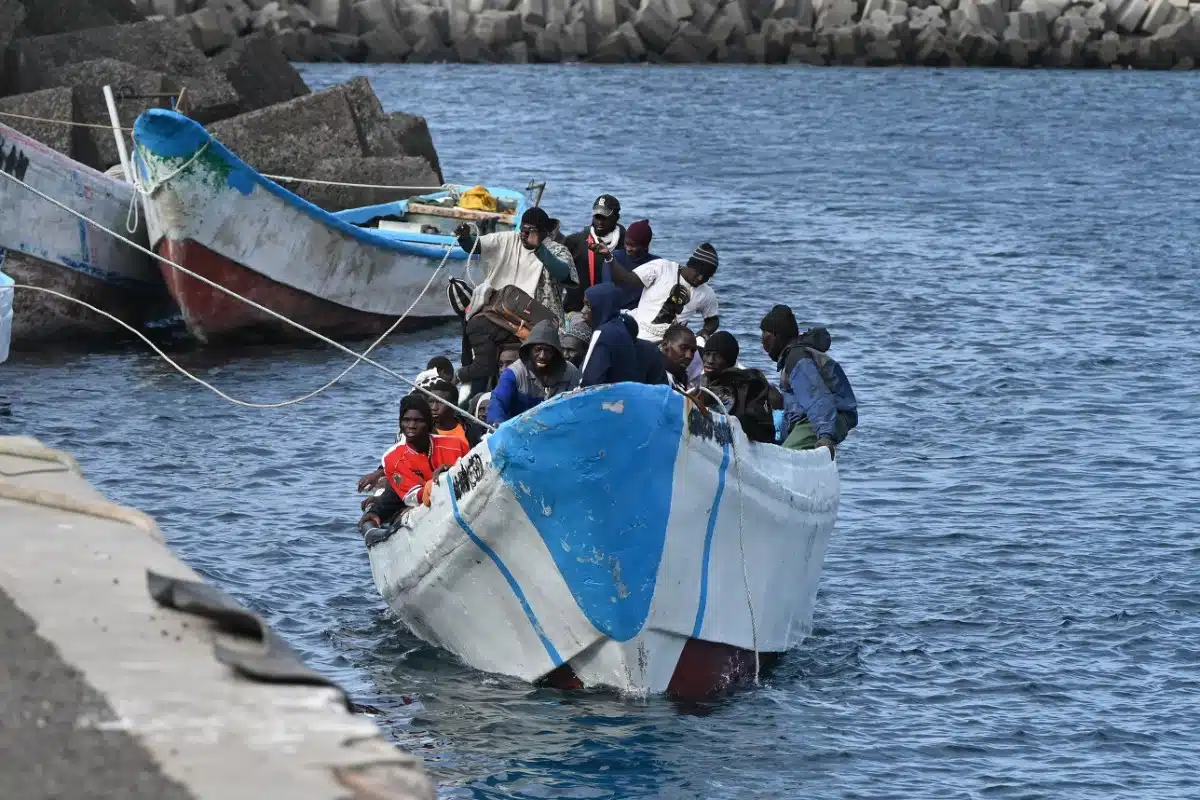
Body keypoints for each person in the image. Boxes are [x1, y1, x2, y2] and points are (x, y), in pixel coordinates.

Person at [453, 207, 577, 394]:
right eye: (524, 231)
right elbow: (476, 246)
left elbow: (563, 273)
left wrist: (539, 250)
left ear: (544, 232)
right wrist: (464, 238)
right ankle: (472, 396)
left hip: (540, 320)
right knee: (474, 331)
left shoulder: (557, 250)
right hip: (502, 312)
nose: (526, 236)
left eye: (532, 232)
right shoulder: (507, 239)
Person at [359, 395, 470, 529]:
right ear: (401, 424)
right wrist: (441, 481)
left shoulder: (456, 445)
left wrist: (451, 470)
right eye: (406, 420)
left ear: (428, 424)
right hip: (423, 510)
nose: (411, 426)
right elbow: (413, 497)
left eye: (418, 421)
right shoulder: (392, 459)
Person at [760, 305, 857, 456]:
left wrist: (825, 437)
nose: (762, 341)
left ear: (776, 336)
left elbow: (817, 399)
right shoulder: (794, 356)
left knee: (782, 457)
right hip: (817, 420)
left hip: (828, 419)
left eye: (764, 335)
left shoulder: (796, 358)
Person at [608, 243, 720, 344]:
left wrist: (705, 332)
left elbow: (713, 320)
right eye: (698, 273)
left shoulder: (707, 294)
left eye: (706, 277)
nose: (700, 278)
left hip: (669, 348)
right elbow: (627, 279)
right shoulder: (662, 268)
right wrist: (609, 258)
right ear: (690, 265)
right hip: (638, 337)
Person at [487, 320, 581, 424]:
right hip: (519, 432)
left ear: (556, 353)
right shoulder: (515, 373)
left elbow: (578, 406)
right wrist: (497, 424)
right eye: (538, 349)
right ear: (529, 350)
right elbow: (498, 400)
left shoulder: (570, 372)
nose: (542, 356)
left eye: (548, 351)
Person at [700, 331, 776, 444]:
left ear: (729, 360)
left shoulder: (739, 385)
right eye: (708, 354)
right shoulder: (704, 380)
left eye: (718, 356)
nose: (710, 360)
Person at [563, 194, 626, 312]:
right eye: (597, 216)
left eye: (604, 217)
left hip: (614, 310)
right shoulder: (575, 242)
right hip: (577, 310)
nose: (600, 222)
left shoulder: (626, 244)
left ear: (616, 217)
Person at [579, 283, 641, 387]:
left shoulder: (603, 333)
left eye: (588, 305)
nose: (583, 311)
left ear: (601, 306)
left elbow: (589, 381)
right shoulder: (623, 325)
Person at [426, 380, 484, 448]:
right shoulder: (424, 432)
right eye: (431, 402)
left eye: (440, 402)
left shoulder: (472, 430)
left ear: (454, 405)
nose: (434, 408)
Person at [659, 324, 698, 389]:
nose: (689, 356)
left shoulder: (682, 375)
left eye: (693, 351)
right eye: (683, 348)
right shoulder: (651, 376)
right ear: (665, 346)